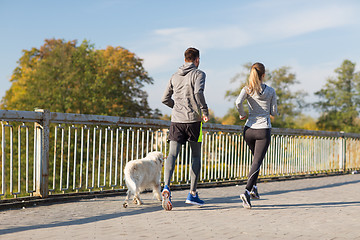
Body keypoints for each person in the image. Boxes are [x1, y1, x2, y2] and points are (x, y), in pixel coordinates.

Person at [161, 47, 209, 211]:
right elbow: (198, 92)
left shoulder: (174, 76)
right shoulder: (199, 74)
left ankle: (166, 186)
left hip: (176, 121)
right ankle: (192, 194)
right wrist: (204, 111)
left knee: (172, 154)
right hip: (194, 121)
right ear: (196, 59)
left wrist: (176, 107)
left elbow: (164, 98)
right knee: (196, 155)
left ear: (184, 59)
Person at [235, 62, 278, 209]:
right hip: (263, 130)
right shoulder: (271, 91)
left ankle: (254, 188)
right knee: (257, 162)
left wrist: (242, 114)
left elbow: (237, 102)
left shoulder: (247, 89)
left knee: (255, 161)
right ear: (263, 75)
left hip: (248, 130)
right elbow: (273, 112)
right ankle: (247, 192)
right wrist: (274, 110)